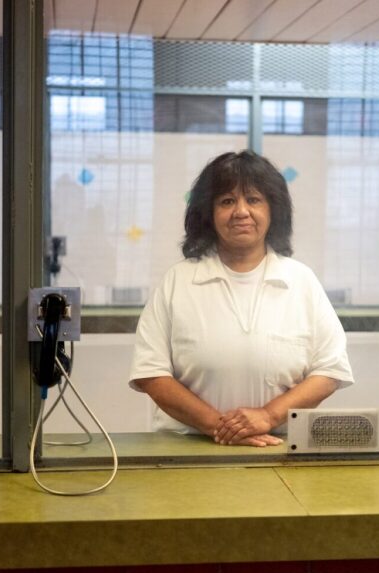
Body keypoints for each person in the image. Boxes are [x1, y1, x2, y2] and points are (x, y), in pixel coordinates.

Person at [129, 150, 353, 446]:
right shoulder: (177, 282)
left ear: (274, 210)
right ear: (208, 214)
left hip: (278, 447)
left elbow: (330, 370)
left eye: (254, 199)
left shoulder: (301, 281)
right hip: (187, 448)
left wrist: (269, 416)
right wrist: (221, 428)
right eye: (227, 201)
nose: (241, 212)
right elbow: (151, 373)